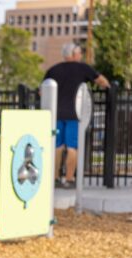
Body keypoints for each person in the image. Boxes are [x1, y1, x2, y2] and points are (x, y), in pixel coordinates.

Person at [44, 43, 110, 189]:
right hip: (74, 114)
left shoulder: (53, 70)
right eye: (79, 52)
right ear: (74, 54)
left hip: (55, 114)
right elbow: (102, 81)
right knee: (72, 147)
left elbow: (42, 91)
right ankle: (69, 179)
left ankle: (55, 179)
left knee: (57, 146)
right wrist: (110, 88)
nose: (80, 55)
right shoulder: (82, 68)